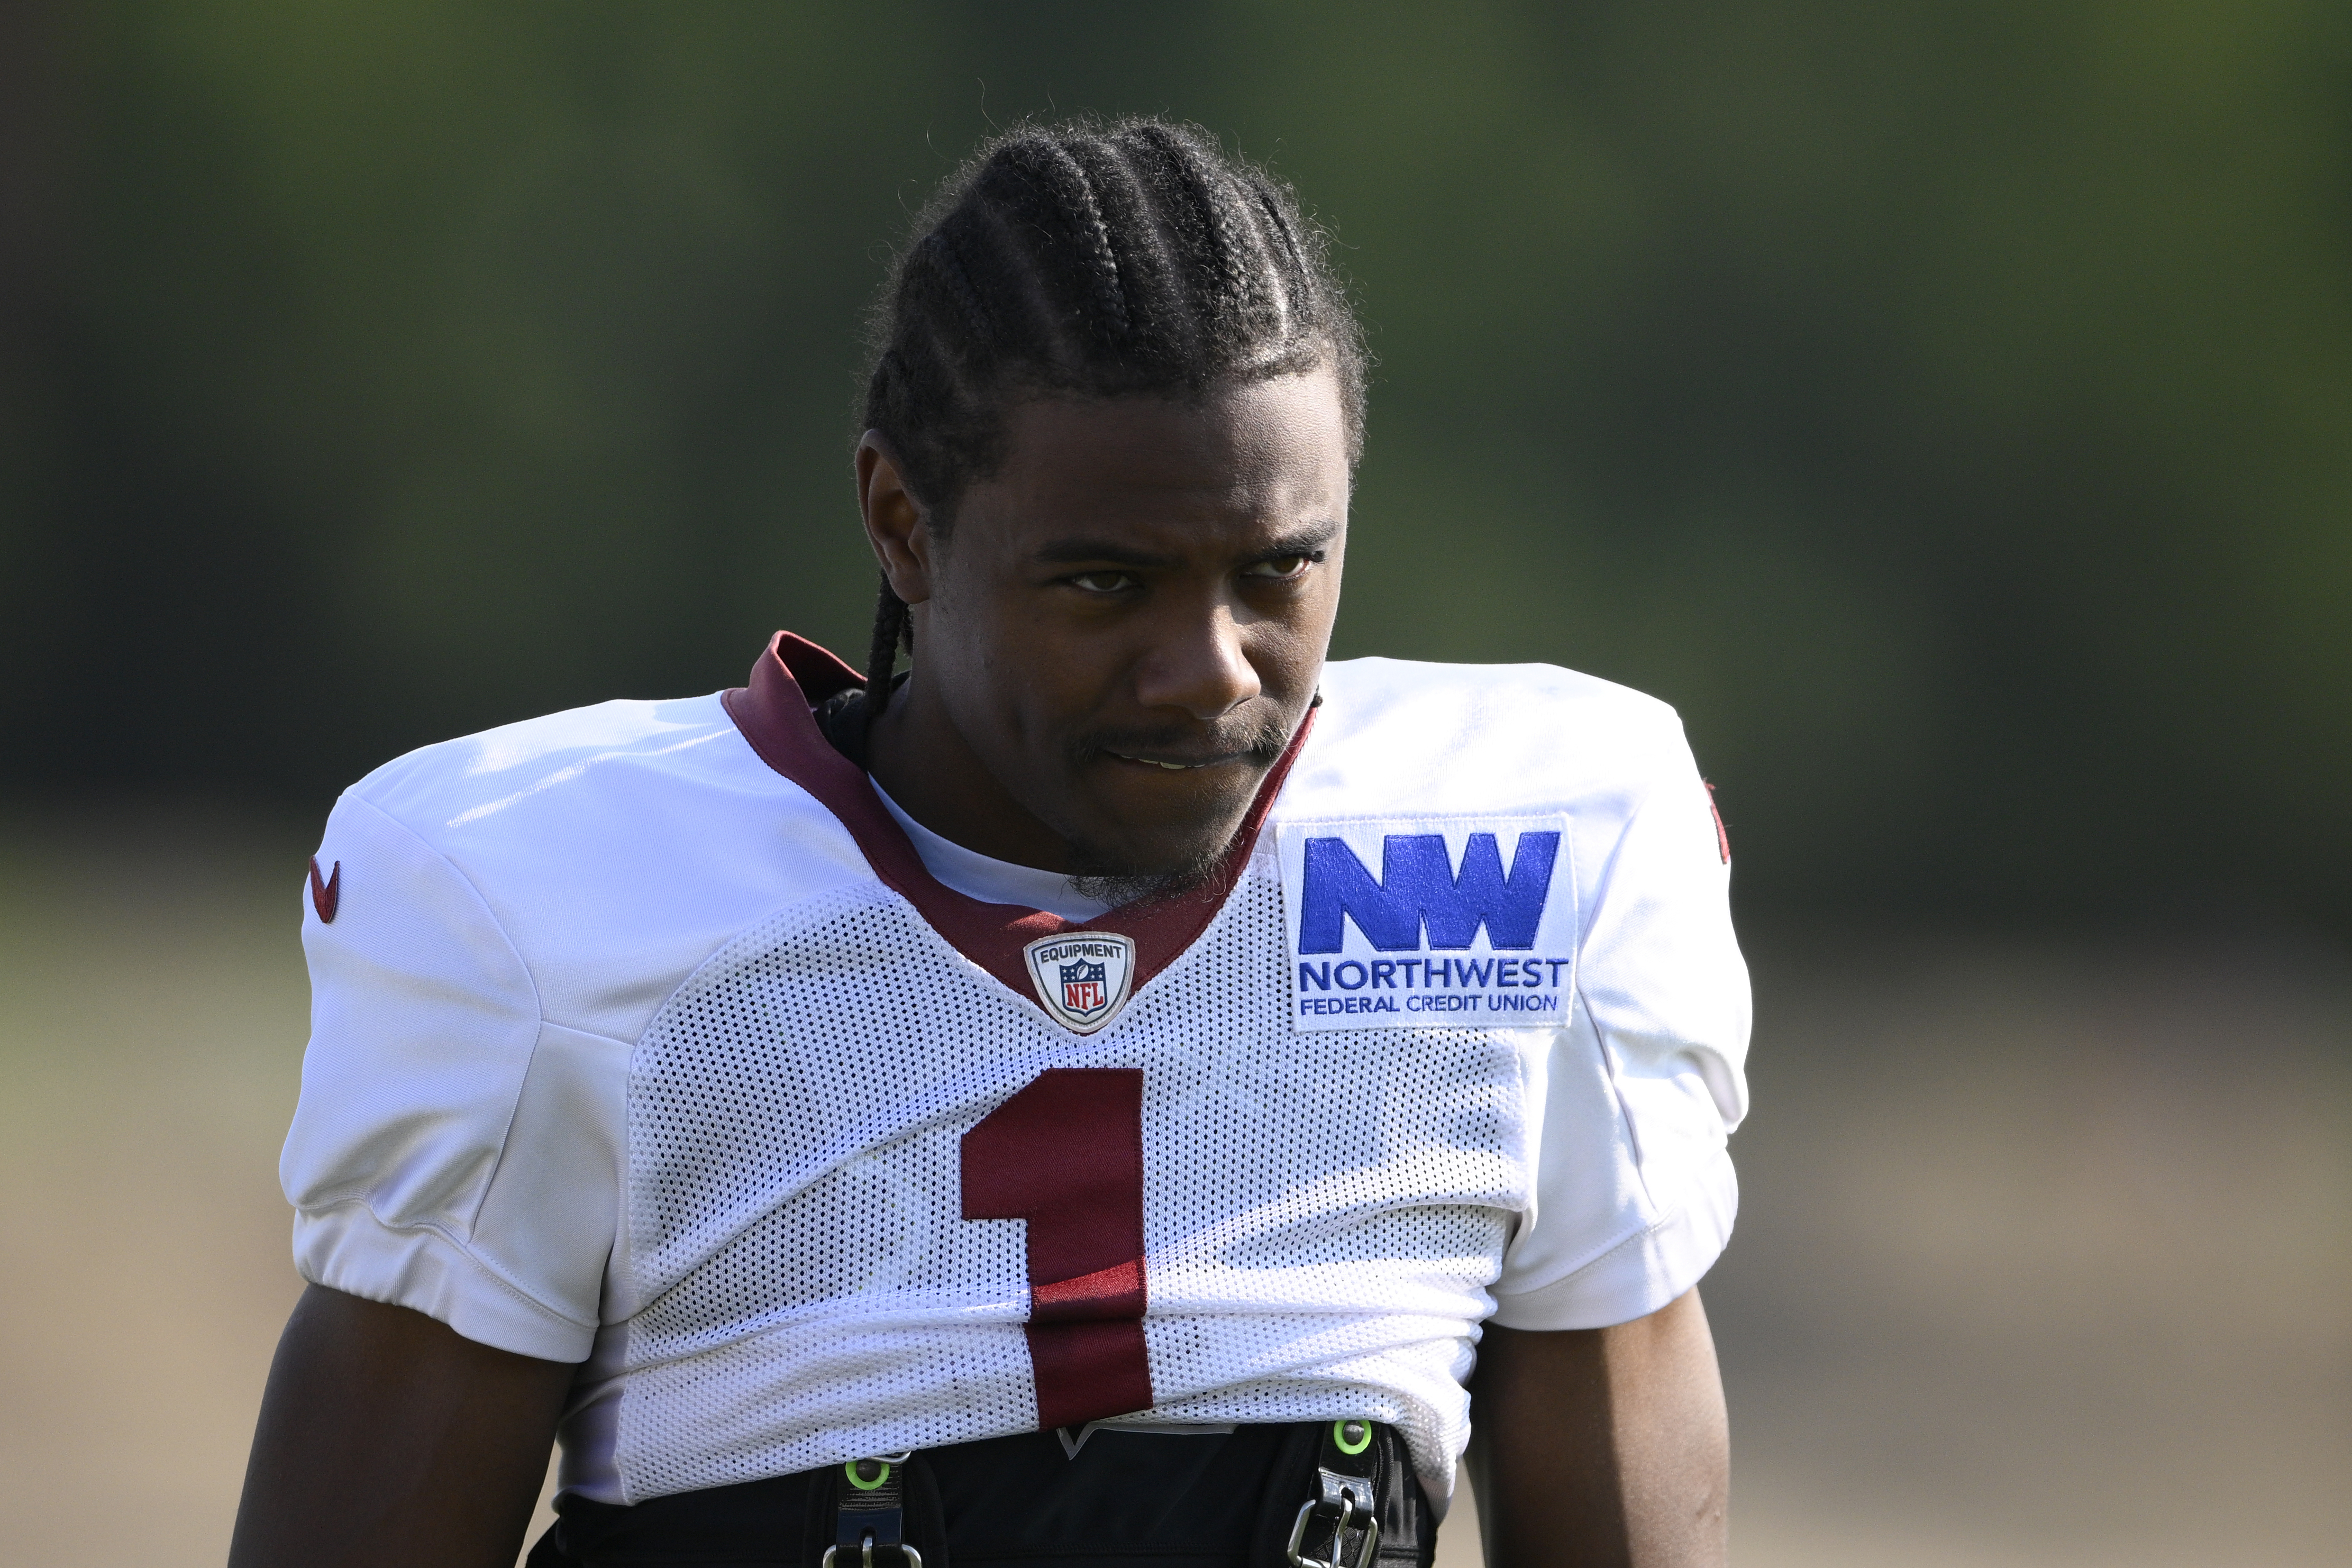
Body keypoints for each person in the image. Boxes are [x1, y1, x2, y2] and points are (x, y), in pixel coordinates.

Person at [228, 117, 1749, 1568]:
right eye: (1105, 583)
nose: (1212, 666)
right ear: (903, 520)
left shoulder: (1532, 853)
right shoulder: (546, 900)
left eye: (1278, 570)